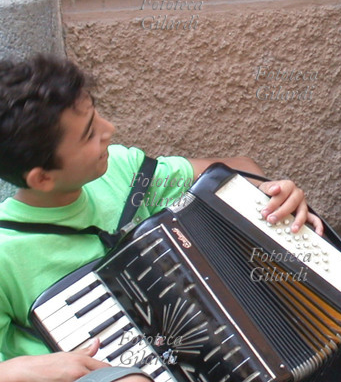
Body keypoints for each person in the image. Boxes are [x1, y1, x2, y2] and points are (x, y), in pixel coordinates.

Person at [0, 54, 323, 382]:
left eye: (97, 117)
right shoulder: (6, 252)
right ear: (42, 178)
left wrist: (272, 194)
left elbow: (236, 169)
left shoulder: (124, 172)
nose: (109, 131)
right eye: (88, 135)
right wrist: (13, 370)